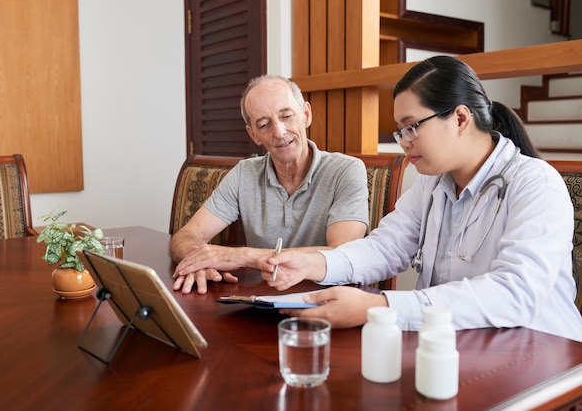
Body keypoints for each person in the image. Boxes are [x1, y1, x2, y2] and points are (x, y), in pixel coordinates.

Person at [260, 56, 582, 342]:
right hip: (453, 345)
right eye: (399, 131)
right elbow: (385, 247)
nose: (404, 143)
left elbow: (515, 293)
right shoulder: (432, 183)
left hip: (537, 353)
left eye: (411, 127)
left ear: (459, 118)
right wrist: (311, 263)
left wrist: (379, 305)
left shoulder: (535, 183)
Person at [170, 75, 370, 294]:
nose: (279, 132)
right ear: (253, 134)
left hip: (326, 299)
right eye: (264, 124)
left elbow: (342, 252)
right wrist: (198, 262)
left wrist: (241, 256)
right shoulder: (244, 173)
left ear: (306, 114)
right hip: (261, 299)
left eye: (287, 116)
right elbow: (185, 236)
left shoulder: (346, 170)